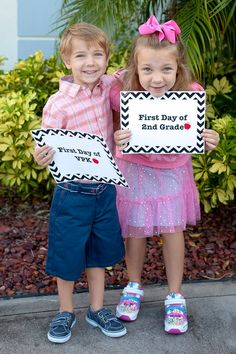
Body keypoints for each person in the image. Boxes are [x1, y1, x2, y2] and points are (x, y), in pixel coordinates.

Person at [110, 15, 220, 334]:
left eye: (166, 69)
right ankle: (133, 287)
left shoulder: (191, 94)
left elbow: (193, 133)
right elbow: (114, 122)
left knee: (172, 231)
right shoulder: (123, 93)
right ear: (135, 68)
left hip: (172, 173)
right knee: (137, 230)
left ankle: (175, 295)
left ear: (178, 69)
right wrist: (118, 134)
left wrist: (207, 138)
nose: (157, 78)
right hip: (137, 170)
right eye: (147, 70)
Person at [33, 22, 127, 343]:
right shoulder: (58, 104)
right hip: (72, 192)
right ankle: (65, 311)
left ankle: (97, 308)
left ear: (107, 58)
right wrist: (40, 155)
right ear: (66, 60)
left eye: (98, 54)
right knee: (68, 252)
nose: (90, 62)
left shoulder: (106, 88)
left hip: (104, 190)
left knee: (99, 253)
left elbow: (135, 71)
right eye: (81, 55)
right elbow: (45, 143)